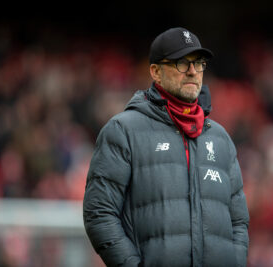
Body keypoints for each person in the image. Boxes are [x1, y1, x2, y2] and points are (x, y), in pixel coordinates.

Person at [83, 27, 249, 267]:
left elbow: (239, 222)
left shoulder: (221, 138)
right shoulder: (123, 131)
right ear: (156, 72)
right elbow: (99, 213)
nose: (192, 71)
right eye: (182, 63)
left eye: (199, 63)